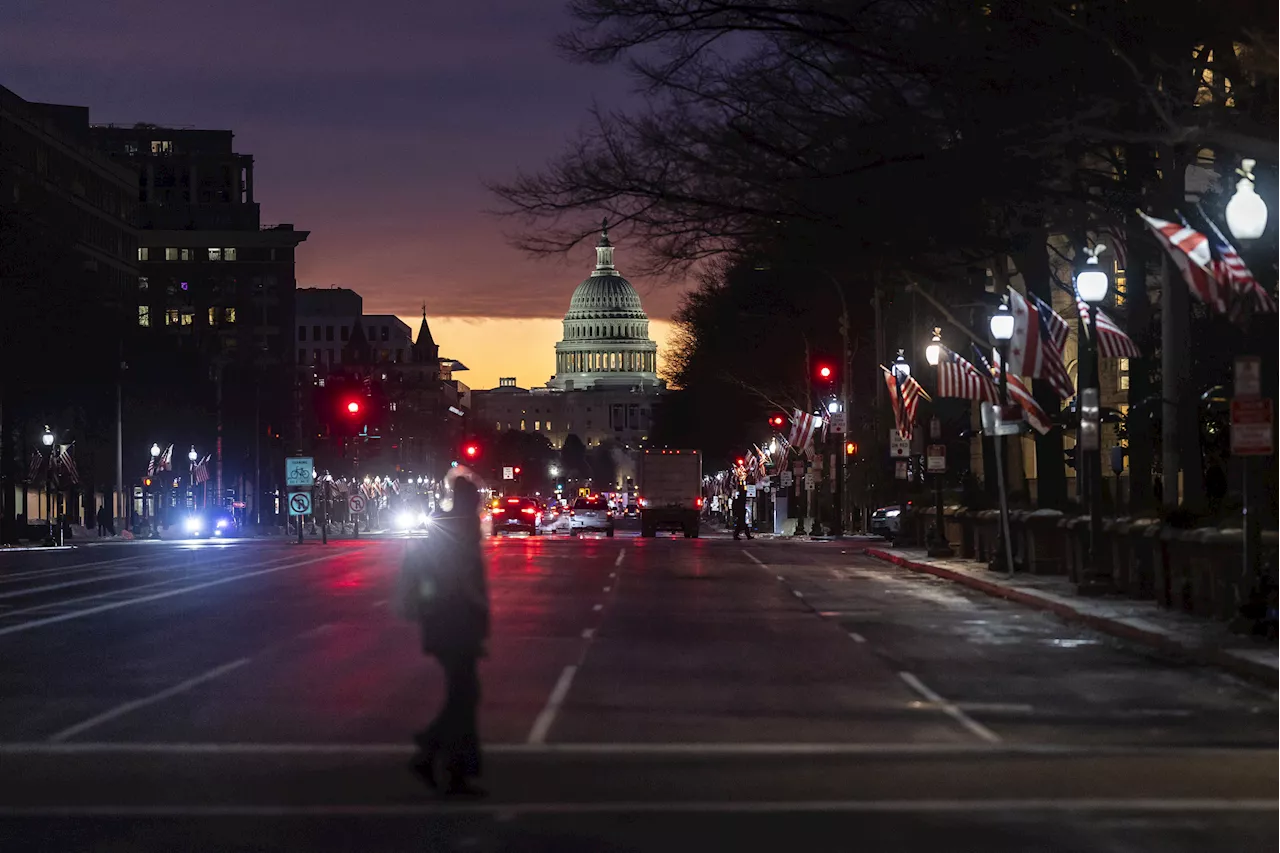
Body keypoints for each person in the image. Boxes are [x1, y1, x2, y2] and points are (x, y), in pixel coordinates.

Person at [399, 474, 490, 795]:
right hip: (453, 623)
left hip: (448, 623)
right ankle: (442, 758)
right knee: (464, 694)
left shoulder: (456, 528)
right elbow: (462, 584)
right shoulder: (460, 531)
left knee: (463, 694)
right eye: (475, 499)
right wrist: (477, 620)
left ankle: (441, 757)